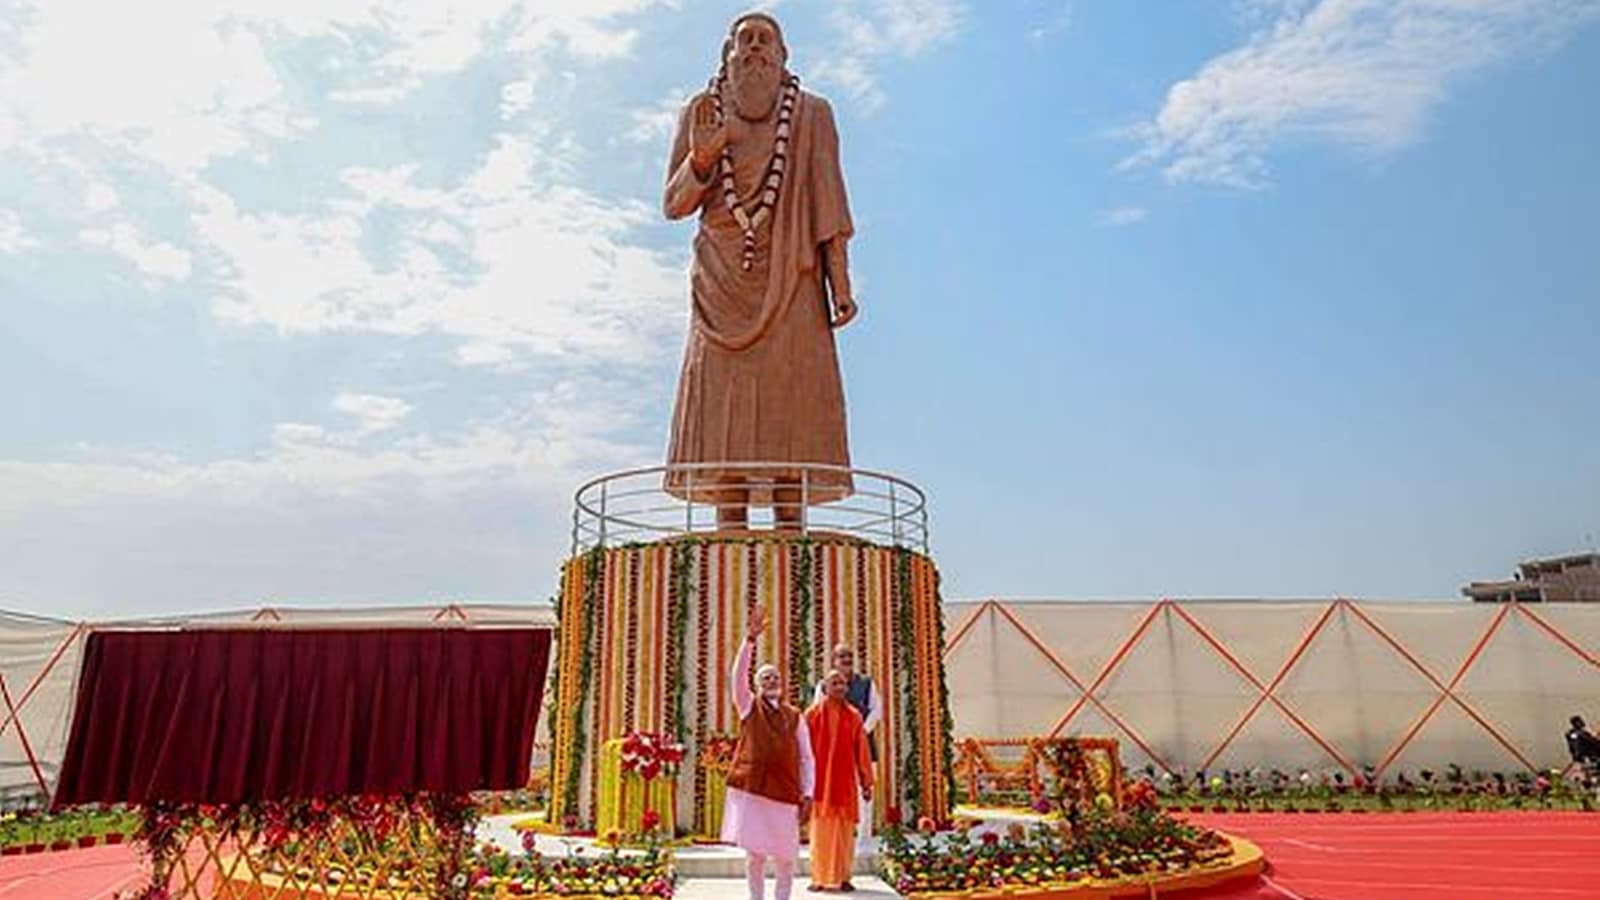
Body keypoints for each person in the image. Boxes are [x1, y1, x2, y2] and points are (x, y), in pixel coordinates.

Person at [661, 11, 859, 530]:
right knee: (724, 416)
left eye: (764, 40)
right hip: (719, 281)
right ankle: (730, 530)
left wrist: (840, 282)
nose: (754, 49)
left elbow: (830, 204)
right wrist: (702, 161)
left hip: (792, 277)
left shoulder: (813, 114)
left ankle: (790, 530)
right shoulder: (701, 111)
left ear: (782, 55)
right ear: (727, 54)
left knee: (791, 406)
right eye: (744, 40)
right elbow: (674, 203)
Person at [724, 605, 815, 900]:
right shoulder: (749, 706)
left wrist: (809, 792)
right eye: (765, 678)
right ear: (757, 686)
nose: (771, 681)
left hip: (785, 791)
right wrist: (749, 641)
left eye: (775, 677)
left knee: (786, 858)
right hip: (754, 790)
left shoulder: (795, 715)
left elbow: (806, 757)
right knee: (755, 857)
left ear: (782, 683)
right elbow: (737, 678)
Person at [805, 669, 874, 893]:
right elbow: (802, 753)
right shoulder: (812, 715)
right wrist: (801, 782)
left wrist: (866, 782)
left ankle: (844, 877)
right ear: (825, 687)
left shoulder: (854, 716)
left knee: (845, 834)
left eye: (843, 684)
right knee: (820, 833)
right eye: (835, 683)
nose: (840, 687)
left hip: (844, 784)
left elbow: (862, 751)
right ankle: (818, 878)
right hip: (820, 784)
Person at [812, 644, 880, 851]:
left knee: (864, 795)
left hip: (864, 747)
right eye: (841, 656)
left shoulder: (866, 684)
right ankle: (836, 842)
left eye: (849, 655)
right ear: (833, 660)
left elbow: (876, 712)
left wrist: (858, 733)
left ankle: (864, 842)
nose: (846, 659)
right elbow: (817, 714)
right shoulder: (823, 685)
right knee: (832, 795)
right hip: (833, 751)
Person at [1565, 715, 1600, 787]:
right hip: (1587, 755)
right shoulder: (1578, 733)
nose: (1582, 723)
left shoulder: (1573, 733)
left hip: (1584, 756)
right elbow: (1592, 741)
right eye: (1579, 722)